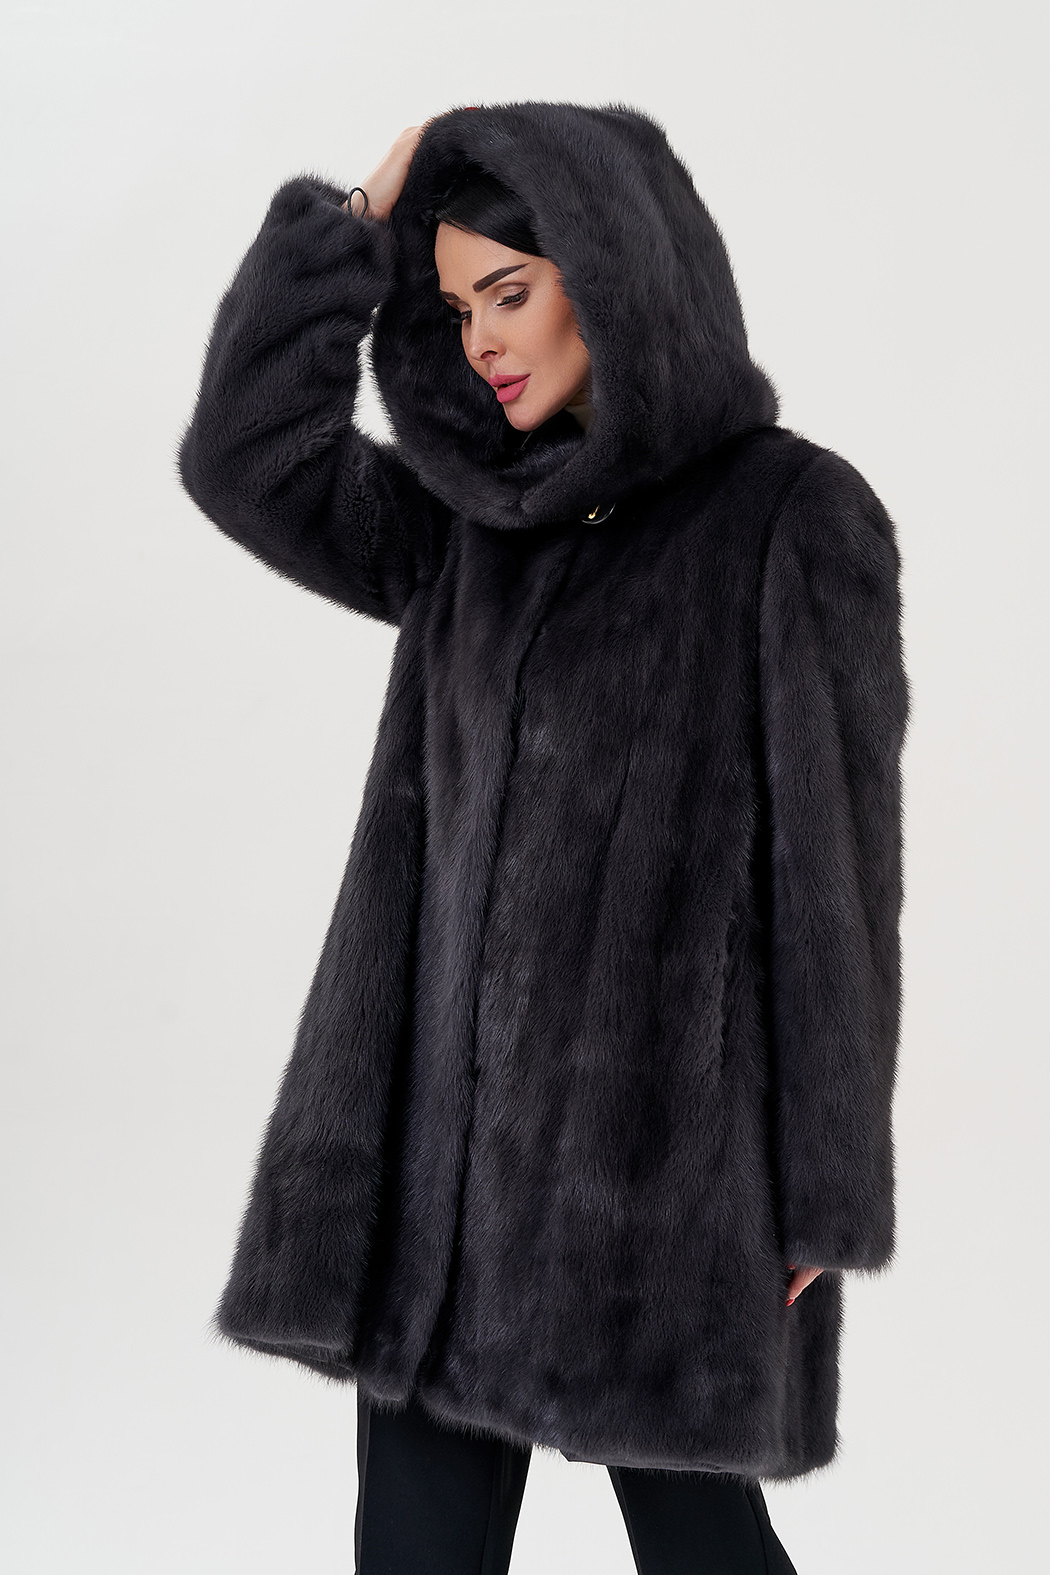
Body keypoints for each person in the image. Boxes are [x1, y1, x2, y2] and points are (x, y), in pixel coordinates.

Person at [177, 102, 909, 1573]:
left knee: (703, 1548)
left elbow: (837, 880)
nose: (482, 343)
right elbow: (247, 458)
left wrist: (820, 1194)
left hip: (658, 1188)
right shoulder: (472, 527)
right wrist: (348, 233)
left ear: (613, 272)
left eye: (507, 293)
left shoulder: (789, 516)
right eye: (454, 310)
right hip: (437, 1192)